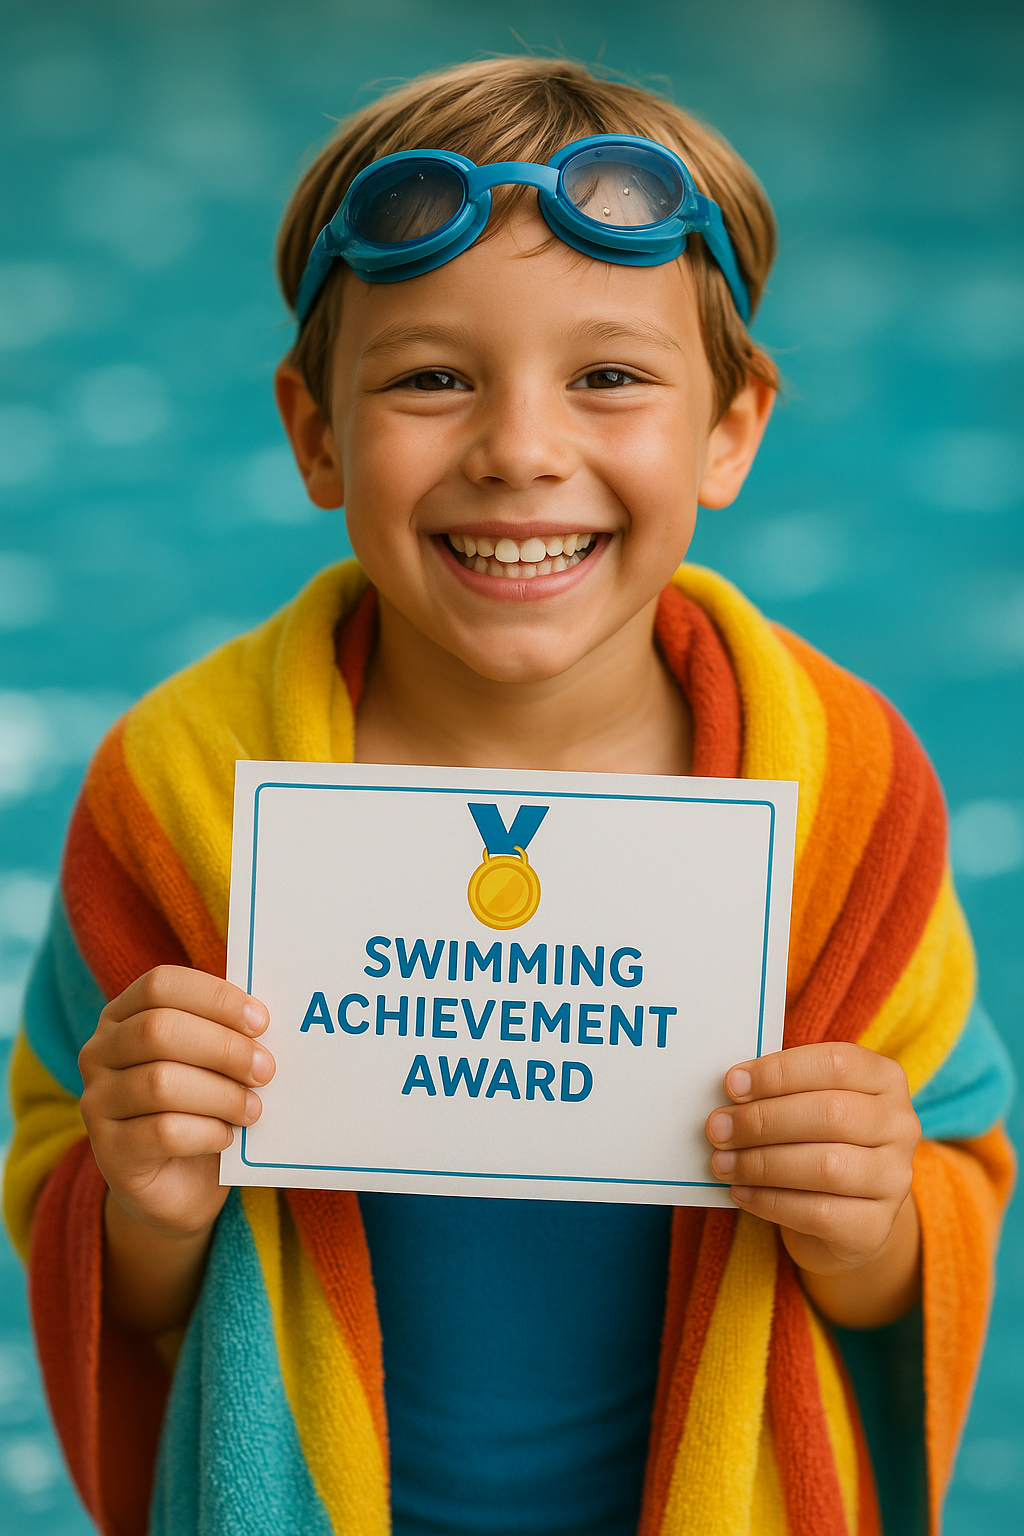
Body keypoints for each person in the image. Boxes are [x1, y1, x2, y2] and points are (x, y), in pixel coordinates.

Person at [4, 56, 1014, 1536]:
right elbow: (70, 1212)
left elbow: (951, 1190)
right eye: (431, 377)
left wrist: (874, 1222)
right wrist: (144, 1195)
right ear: (314, 431)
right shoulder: (181, 799)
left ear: (731, 427)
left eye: (609, 377)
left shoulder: (847, 799)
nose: (522, 450)